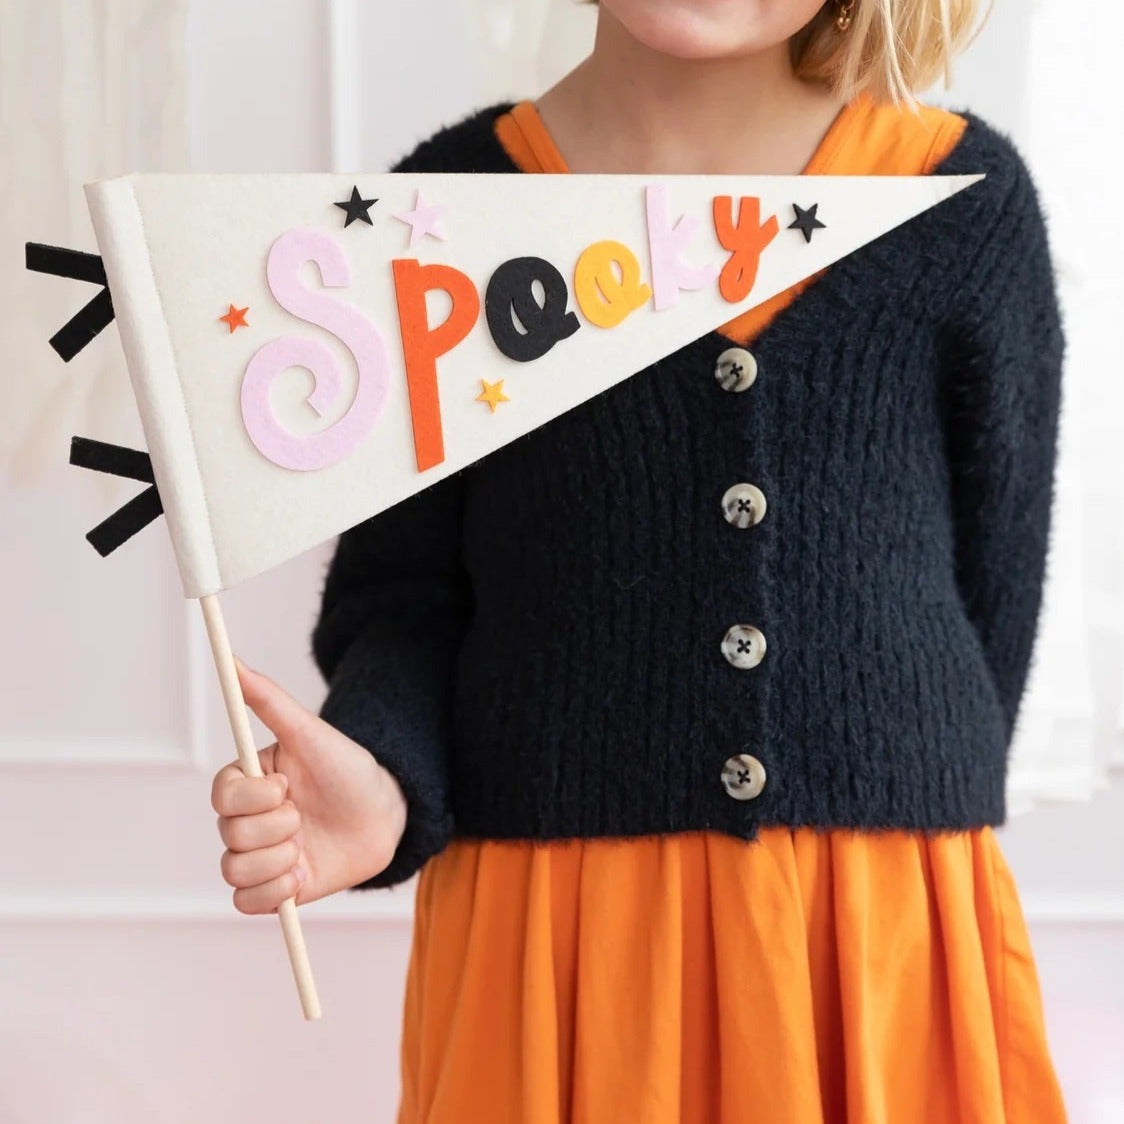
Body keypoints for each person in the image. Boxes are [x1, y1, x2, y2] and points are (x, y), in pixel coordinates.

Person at [211, 0, 1072, 1119]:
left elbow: (992, 598)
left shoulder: (959, 206)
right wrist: (384, 777)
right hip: (553, 952)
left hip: (872, 937)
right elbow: (403, 597)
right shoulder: (447, 212)